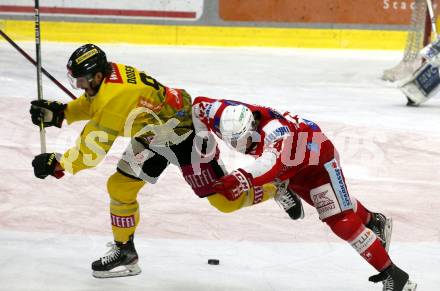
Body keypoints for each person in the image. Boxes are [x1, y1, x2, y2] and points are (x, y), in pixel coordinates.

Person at [29, 44, 304, 278]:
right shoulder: (108, 80)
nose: (78, 85)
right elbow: (95, 104)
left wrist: (58, 164)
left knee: (224, 201)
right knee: (120, 186)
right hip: (154, 135)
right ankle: (125, 250)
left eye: (81, 80)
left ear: (98, 74)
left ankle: (276, 188)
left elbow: (92, 149)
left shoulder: (114, 96)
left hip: (186, 136)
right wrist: (63, 112)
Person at [191, 96, 417, 291]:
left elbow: (270, 164)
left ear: (252, 127)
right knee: (329, 201)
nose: (242, 146)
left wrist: (239, 178)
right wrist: (205, 144)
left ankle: (396, 277)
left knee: (337, 217)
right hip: (291, 162)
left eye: (245, 140)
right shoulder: (219, 112)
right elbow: (197, 106)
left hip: (316, 156)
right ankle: (374, 222)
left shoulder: (274, 132)